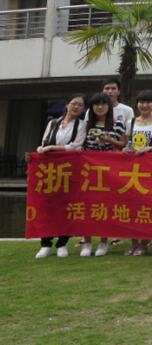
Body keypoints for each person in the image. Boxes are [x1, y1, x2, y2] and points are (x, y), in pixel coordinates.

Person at [32, 94, 88, 259]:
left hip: (70, 170)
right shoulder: (53, 123)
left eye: (80, 105)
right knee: (48, 206)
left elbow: (75, 146)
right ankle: (45, 244)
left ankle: (62, 243)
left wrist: (50, 148)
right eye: (74, 103)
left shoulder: (82, 125)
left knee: (67, 207)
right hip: (50, 170)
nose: (76, 107)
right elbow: (44, 143)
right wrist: (39, 151)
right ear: (67, 105)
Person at [122, 90, 152, 256]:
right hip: (132, 168)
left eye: (148, 102)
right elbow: (127, 142)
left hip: (150, 167)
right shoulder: (130, 122)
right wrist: (125, 149)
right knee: (131, 205)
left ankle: (143, 243)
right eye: (141, 102)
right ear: (137, 104)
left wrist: (150, 148)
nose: (145, 105)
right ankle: (133, 243)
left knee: (146, 205)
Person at [80, 92, 127, 258]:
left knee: (105, 206)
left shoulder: (117, 124)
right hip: (89, 170)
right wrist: (80, 148)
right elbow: (80, 143)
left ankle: (103, 242)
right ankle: (87, 242)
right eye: (96, 104)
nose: (100, 107)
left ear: (109, 106)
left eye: (103, 104)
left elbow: (124, 144)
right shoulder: (86, 125)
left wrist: (110, 141)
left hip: (109, 171)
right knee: (87, 206)